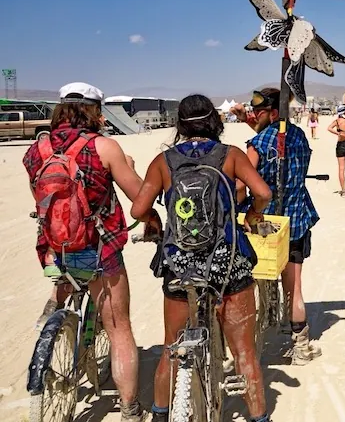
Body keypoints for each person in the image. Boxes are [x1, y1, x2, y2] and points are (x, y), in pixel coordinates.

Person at [131, 95, 272, 422]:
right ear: (215, 122)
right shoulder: (230, 156)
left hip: (181, 269)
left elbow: (137, 209)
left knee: (171, 348)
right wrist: (251, 215)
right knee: (244, 352)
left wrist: (154, 220)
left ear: (180, 125)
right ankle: (259, 418)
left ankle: (161, 414)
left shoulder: (163, 161)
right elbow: (263, 193)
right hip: (228, 267)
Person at [24, 83, 157, 422]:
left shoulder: (36, 150)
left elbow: (41, 200)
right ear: (96, 112)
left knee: (66, 272)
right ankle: (130, 410)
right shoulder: (104, 146)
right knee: (119, 328)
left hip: (54, 248)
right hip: (98, 251)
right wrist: (152, 219)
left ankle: (54, 312)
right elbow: (139, 199)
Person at [235, 88, 323, 365]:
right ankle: (300, 346)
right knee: (294, 286)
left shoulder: (256, 144)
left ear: (272, 112)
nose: (254, 115)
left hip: (263, 223)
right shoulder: (297, 135)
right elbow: (277, 143)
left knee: (252, 280)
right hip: (296, 219)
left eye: (259, 112)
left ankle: (248, 346)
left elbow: (240, 186)